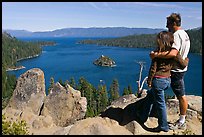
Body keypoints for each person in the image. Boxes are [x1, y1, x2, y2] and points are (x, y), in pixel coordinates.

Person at [150, 13, 190, 130]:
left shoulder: (177, 35)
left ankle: (182, 120)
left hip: (177, 70)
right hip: (182, 68)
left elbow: (173, 53)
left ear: (173, 23)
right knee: (157, 93)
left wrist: (156, 55)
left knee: (181, 95)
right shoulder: (185, 34)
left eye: (168, 24)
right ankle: (153, 111)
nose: (167, 27)